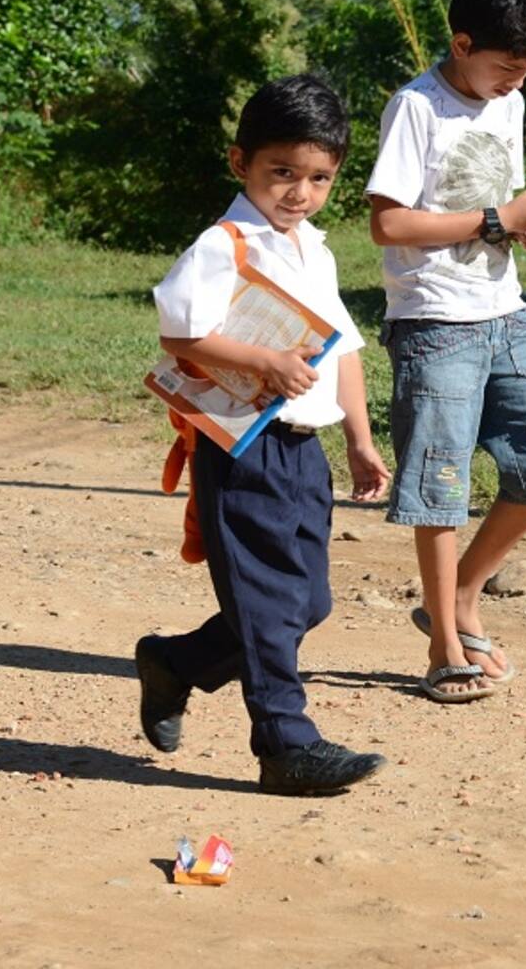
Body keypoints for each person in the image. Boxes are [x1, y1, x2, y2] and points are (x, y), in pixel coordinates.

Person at [136, 74, 392, 794]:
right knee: (271, 603)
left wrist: (360, 441)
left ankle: (176, 663)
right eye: (283, 173)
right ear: (240, 162)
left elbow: (342, 349)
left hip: (302, 449)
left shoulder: (314, 248)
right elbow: (180, 332)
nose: (300, 193)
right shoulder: (223, 246)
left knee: (307, 602)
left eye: (319, 178)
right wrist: (263, 362)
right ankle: (285, 746)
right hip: (242, 447)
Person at [365, 0, 526, 703]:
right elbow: (388, 224)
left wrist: (525, 228)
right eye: (507, 66)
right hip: (433, 322)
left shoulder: (507, 103)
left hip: (504, 313)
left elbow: (496, 207)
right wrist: (498, 219)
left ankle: (456, 597)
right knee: (442, 485)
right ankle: (445, 649)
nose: (516, 82)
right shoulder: (416, 108)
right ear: (461, 44)